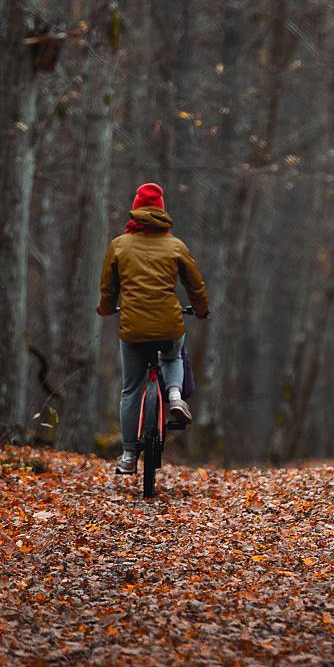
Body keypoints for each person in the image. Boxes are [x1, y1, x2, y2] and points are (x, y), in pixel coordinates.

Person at [97, 182, 210, 475]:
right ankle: (174, 395)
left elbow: (108, 288)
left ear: (136, 209)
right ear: (161, 211)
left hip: (132, 327)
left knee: (131, 388)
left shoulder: (119, 245)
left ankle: (128, 455)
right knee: (173, 355)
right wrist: (201, 310)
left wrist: (107, 309)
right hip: (168, 323)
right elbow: (195, 285)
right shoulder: (176, 246)